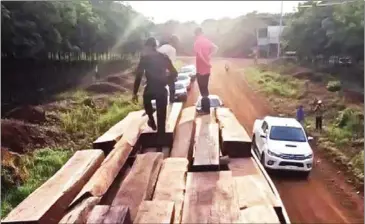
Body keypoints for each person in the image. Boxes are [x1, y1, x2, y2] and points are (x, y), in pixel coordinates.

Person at [133, 37, 178, 148]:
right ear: (156, 46)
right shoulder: (164, 57)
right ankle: (161, 147)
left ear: (148, 46)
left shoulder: (145, 58)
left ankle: (151, 119)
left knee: (147, 102)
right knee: (162, 118)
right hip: (162, 89)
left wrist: (134, 93)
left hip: (151, 87)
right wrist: (166, 81)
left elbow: (138, 76)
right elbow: (174, 73)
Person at [193, 27, 218, 113]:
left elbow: (199, 54)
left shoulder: (197, 42)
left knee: (203, 90)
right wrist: (209, 56)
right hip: (207, 70)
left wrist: (205, 62)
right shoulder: (207, 41)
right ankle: (205, 109)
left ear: (196, 34)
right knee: (205, 89)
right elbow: (216, 48)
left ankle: (205, 109)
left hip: (201, 70)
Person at [157, 35, 179, 103]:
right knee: (171, 86)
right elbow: (172, 62)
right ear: (175, 42)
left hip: (159, 71)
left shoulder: (160, 48)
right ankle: (172, 100)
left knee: (161, 87)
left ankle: (161, 101)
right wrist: (173, 72)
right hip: (168, 71)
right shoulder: (173, 50)